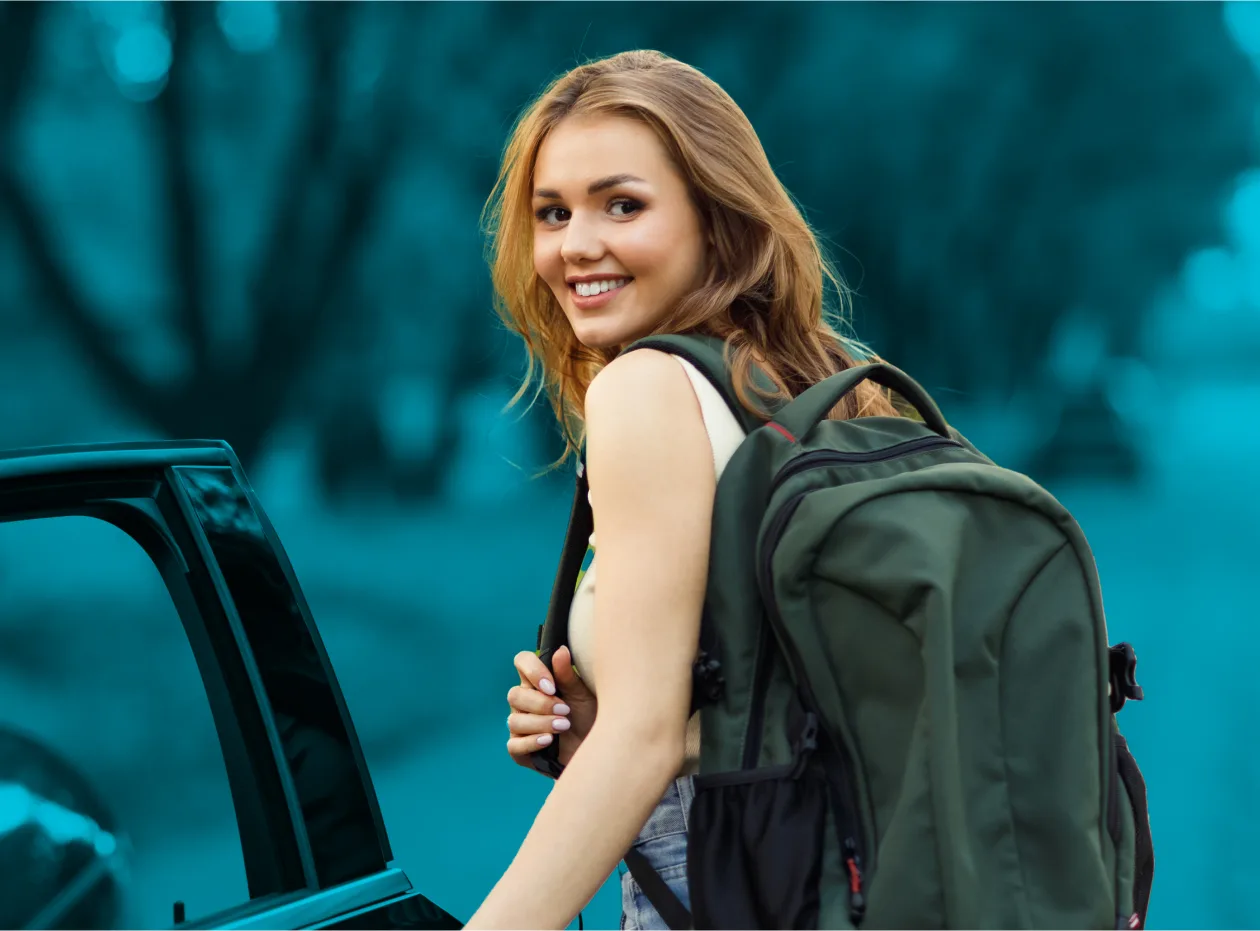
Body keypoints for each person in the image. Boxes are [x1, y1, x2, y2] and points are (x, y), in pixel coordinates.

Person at [467, 49, 901, 930]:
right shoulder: (823, 387)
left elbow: (645, 741)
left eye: (621, 204)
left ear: (715, 214)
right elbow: (786, 698)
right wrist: (603, 715)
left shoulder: (646, 388)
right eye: (552, 212)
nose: (575, 244)